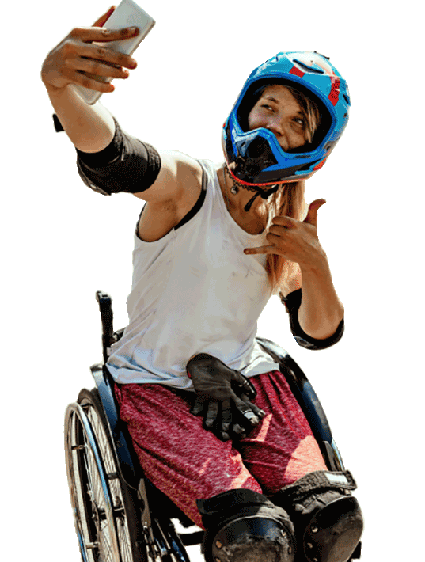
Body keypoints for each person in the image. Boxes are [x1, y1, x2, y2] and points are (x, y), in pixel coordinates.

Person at [42, 7, 364, 561]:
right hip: (154, 382)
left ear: (316, 149)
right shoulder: (190, 188)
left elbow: (319, 333)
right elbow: (118, 157)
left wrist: (316, 267)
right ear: (244, 107)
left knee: (334, 522)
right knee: (254, 540)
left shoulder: (283, 228)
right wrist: (65, 94)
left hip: (247, 380)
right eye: (269, 107)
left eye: (295, 123)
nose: (272, 128)